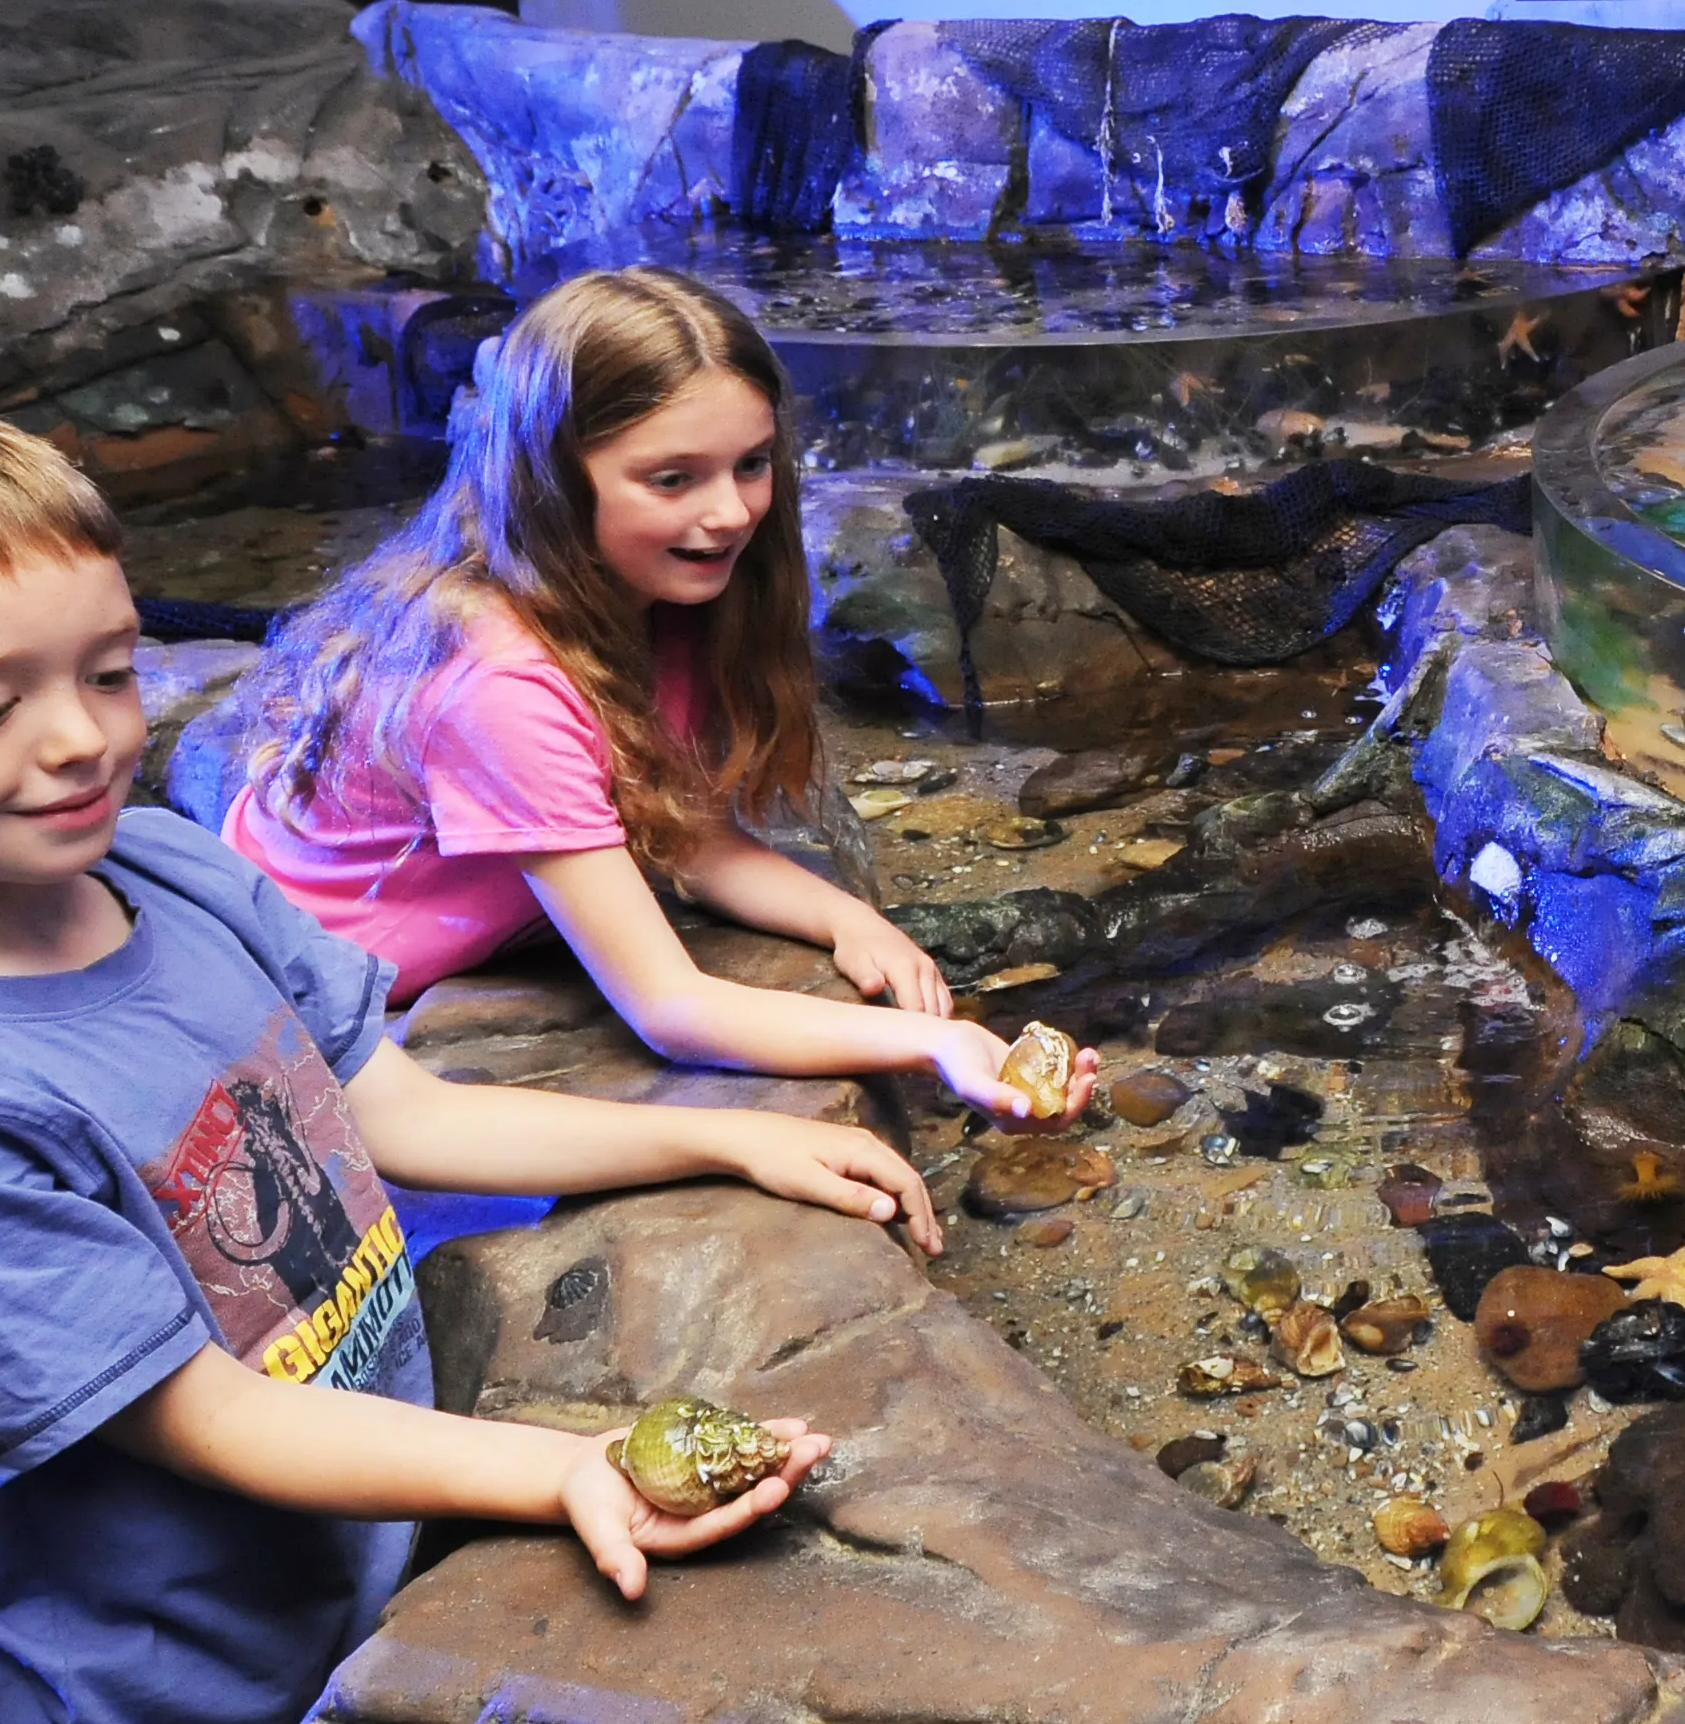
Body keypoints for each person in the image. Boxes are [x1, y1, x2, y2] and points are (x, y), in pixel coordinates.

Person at [0, 398, 938, 1724]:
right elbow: (215, 1420)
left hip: (314, 1624)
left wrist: (723, 1144)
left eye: (108, 667)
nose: (82, 739)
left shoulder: (156, 864)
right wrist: (565, 1466)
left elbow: (400, 1110)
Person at [226, 266, 1091, 1122]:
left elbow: (679, 828)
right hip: (305, 997)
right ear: (551, 477)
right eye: (672, 479)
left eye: (751, 464)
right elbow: (670, 1010)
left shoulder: (652, 596)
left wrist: (845, 918)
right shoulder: (498, 684)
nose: (729, 513)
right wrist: (939, 1045)